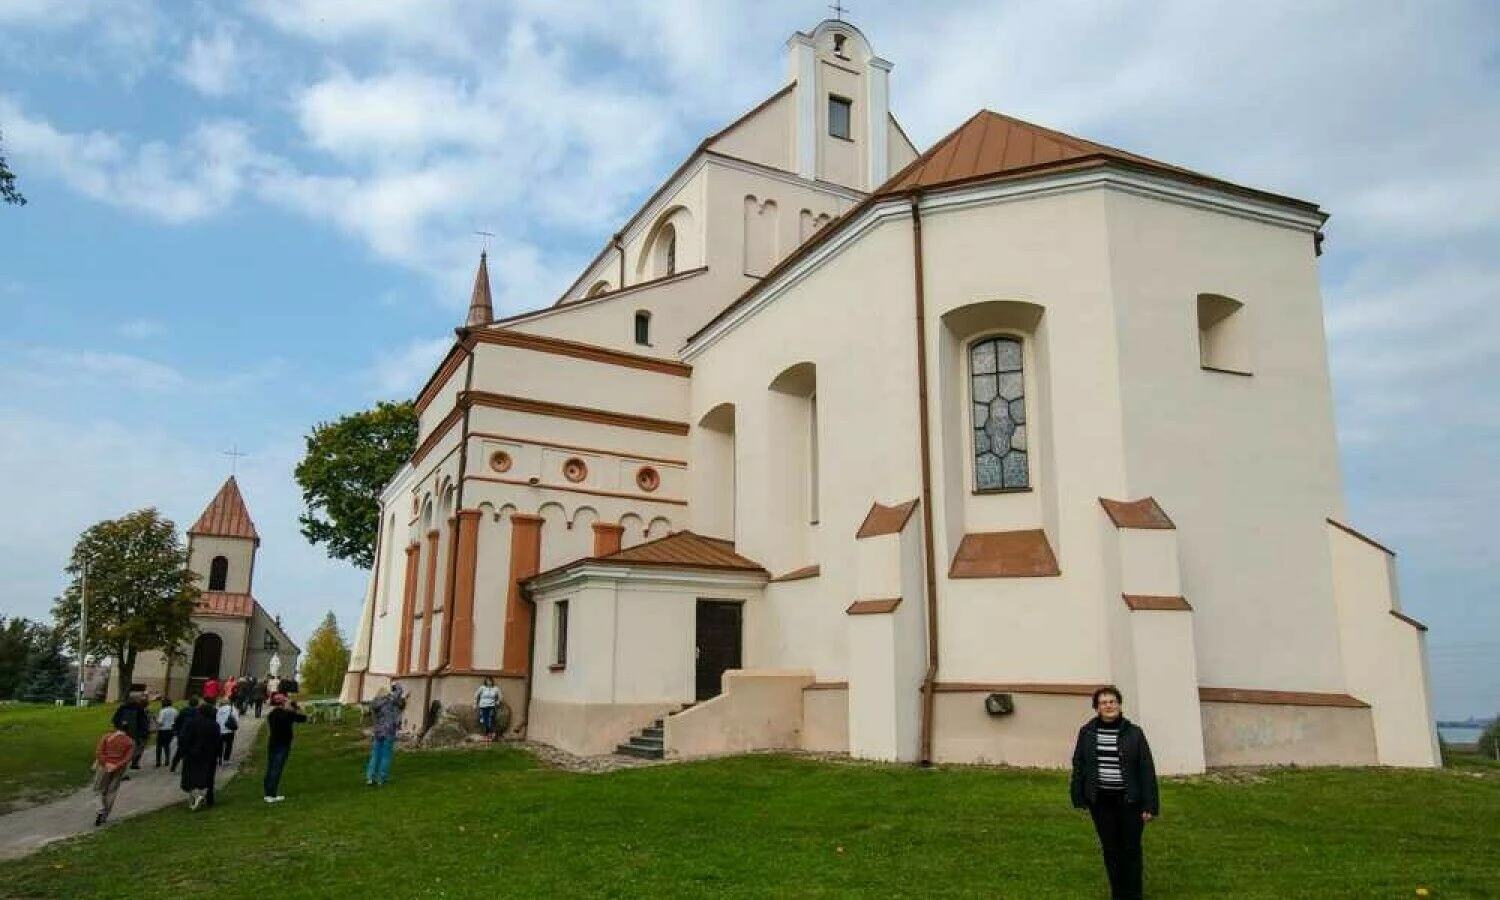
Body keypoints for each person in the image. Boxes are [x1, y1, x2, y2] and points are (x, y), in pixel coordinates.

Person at [1071, 686, 1160, 900]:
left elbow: (1146, 769)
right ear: (1097, 708)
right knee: (1111, 849)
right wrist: (1078, 795)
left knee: (1131, 848)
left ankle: (1134, 894)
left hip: (1129, 800)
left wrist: (1150, 804)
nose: (1108, 705)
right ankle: (1118, 894)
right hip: (1101, 800)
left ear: (1119, 705)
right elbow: (1079, 764)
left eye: (1112, 701)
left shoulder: (1134, 733)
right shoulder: (1087, 732)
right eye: (1103, 703)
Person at [263, 693, 308, 803]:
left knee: (271, 768)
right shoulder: (287, 714)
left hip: (272, 743)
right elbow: (303, 718)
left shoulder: (272, 714)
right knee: (277, 769)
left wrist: (290, 709)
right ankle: (271, 795)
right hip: (283, 744)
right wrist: (299, 709)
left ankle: (268, 792)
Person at [91, 718, 136, 826]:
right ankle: (105, 815)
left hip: (104, 766)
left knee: (98, 789)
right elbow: (128, 757)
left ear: (116, 727)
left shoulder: (107, 737)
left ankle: (100, 809)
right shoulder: (130, 742)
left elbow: (99, 752)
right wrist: (117, 765)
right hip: (118, 769)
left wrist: (105, 763)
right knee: (112, 791)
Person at [179, 697, 221, 811]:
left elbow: (184, 738)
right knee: (208, 777)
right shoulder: (214, 725)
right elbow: (218, 741)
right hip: (209, 755)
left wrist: (184, 750)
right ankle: (208, 797)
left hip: (193, 754)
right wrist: (218, 754)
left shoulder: (191, 722)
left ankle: (196, 795)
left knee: (190, 777)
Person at [365, 684, 405, 786]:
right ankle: (382, 778)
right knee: (385, 756)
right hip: (388, 731)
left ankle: (370, 778)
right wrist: (395, 685)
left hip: (378, 732)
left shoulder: (374, 704)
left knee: (375, 755)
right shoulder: (389, 701)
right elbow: (399, 691)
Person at [111, 692, 150, 772]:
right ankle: (132, 764)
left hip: (122, 733)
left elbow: (115, 720)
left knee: (123, 752)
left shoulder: (122, 708)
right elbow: (143, 723)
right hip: (135, 735)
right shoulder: (139, 709)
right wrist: (144, 733)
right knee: (135, 750)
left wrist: (120, 727)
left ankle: (120, 768)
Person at [474, 677, 502, 741]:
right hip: (483, 706)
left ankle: (493, 734)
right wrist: (475, 704)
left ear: (492, 681)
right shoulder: (482, 688)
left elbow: (500, 696)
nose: (489, 682)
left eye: (490, 681)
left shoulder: (495, 689)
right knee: (485, 720)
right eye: (487, 681)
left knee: (491, 719)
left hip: (491, 706)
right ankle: (487, 734)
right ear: (485, 682)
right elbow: (476, 695)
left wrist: (498, 702)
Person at [155, 698, 178, 767]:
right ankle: (167, 760)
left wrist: (155, 719)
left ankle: (158, 761)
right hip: (171, 730)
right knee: (167, 745)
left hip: (163, 730)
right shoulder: (175, 710)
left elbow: (160, 722)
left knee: (159, 746)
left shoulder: (163, 711)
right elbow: (176, 720)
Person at [216, 699, 240, 765]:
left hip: (220, 730)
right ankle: (226, 759)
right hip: (229, 730)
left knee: (220, 745)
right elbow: (236, 719)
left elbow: (217, 719)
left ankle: (219, 757)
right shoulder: (233, 709)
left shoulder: (219, 710)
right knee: (229, 745)